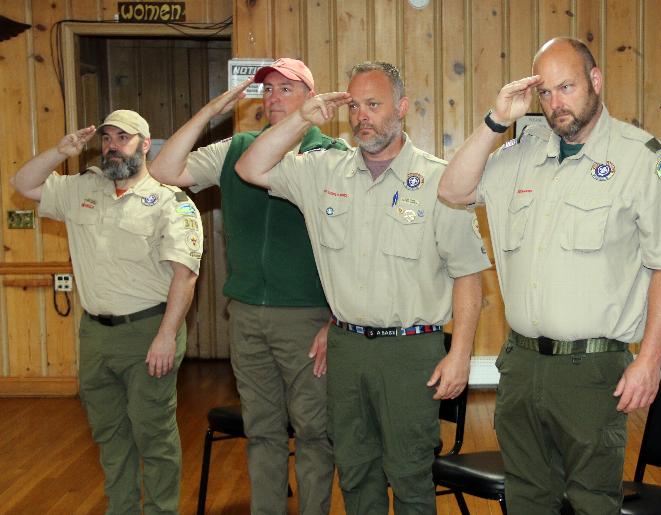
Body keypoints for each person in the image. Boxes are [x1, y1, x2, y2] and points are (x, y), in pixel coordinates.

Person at [438, 37, 661, 514]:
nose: (556, 103)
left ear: (596, 81)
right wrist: (497, 122)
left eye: (567, 87)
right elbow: (453, 191)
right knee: (527, 498)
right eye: (546, 93)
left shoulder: (644, 158)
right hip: (522, 364)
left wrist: (650, 359)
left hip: (592, 372)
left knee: (593, 503)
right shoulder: (521, 155)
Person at [234, 61, 490, 515]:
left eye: (373, 104)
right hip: (346, 349)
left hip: (410, 352)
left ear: (402, 108)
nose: (361, 117)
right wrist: (301, 119)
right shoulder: (322, 172)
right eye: (353, 106)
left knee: (410, 478)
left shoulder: (438, 181)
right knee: (355, 473)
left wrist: (462, 353)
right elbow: (251, 167)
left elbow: (468, 272)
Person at [146, 58, 345, 514]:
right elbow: (163, 170)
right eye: (268, 91)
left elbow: (353, 249)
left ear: (311, 99)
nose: (273, 98)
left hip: (308, 316)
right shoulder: (235, 149)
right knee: (262, 432)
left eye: (286, 90)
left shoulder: (332, 156)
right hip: (246, 315)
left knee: (314, 432)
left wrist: (335, 320)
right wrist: (210, 112)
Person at [12, 110, 202, 514]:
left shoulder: (170, 202)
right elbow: (23, 184)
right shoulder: (84, 188)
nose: (113, 145)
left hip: (149, 330)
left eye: (124, 138)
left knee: (153, 435)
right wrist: (60, 151)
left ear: (145, 145)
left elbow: (184, 277)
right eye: (107, 138)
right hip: (96, 334)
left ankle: (161, 510)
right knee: (109, 434)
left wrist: (167, 335)